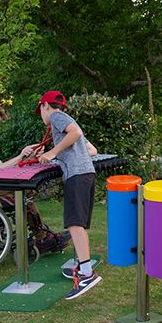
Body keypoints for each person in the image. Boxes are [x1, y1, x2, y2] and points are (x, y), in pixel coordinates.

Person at [0, 101, 71, 253]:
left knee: (26, 193)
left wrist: (26, 157)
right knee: (22, 193)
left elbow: (2, 168)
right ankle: (42, 237)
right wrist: (19, 157)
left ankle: (42, 235)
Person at [36, 91, 101, 300]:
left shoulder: (56, 116)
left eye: (40, 111)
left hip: (77, 175)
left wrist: (53, 152)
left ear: (46, 105)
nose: (42, 116)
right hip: (87, 173)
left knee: (74, 223)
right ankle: (83, 269)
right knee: (78, 224)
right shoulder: (65, 119)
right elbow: (91, 149)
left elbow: (76, 133)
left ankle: (87, 275)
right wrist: (60, 155)